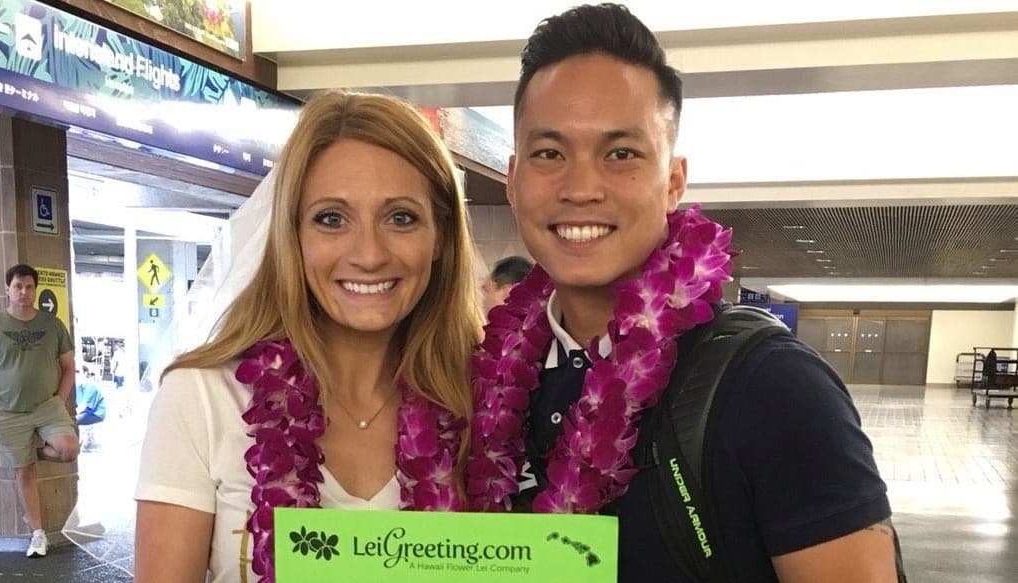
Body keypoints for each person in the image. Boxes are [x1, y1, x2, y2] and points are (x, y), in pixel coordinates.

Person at [465, 5, 897, 582]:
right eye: (549, 153)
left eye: (621, 153)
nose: (581, 187)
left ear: (673, 182)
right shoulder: (481, 385)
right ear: (514, 180)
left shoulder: (773, 389)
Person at [134, 91, 483, 583]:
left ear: (440, 237)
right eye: (331, 219)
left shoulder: (483, 402)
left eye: (401, 217)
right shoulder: (203, 398)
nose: (368, 253)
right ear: (291, 234)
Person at [0, 263, 79, 558]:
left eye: (29, 287)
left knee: (69, 449)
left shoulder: (52, 324)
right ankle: (37, 534)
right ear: (7, 289)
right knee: (24, 472)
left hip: (48, 406)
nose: (24, 292)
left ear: (35, 290)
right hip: (7, 411)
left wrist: (60, 398)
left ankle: (30, 451)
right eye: (18, 286)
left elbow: (69, 366)